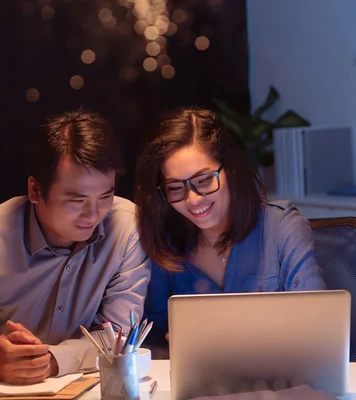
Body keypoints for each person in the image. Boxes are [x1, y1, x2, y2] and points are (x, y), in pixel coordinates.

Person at [0, 108, 150, 384]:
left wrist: (53, 360)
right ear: (35, 190)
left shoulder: (126, 228)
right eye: (77, 200)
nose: (94, 214)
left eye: (105, 196)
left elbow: (119, 339)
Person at [134, 107, 326, 346]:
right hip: (199, 380)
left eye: (204, 181)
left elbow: (317, 326)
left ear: (231, 170)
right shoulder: (166, 244)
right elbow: (151, 339)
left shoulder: (281, 227)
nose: (193, 200)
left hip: (284, 378)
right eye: (175, 188)